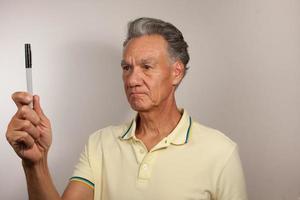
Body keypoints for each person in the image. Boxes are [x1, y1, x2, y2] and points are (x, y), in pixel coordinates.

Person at [6, 17, 248, 200]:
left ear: (176, 72)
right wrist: (35, 163)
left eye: (146, 66)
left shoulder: (220, 152)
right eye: (127, 68)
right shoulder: (99, 144)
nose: (132, 79)